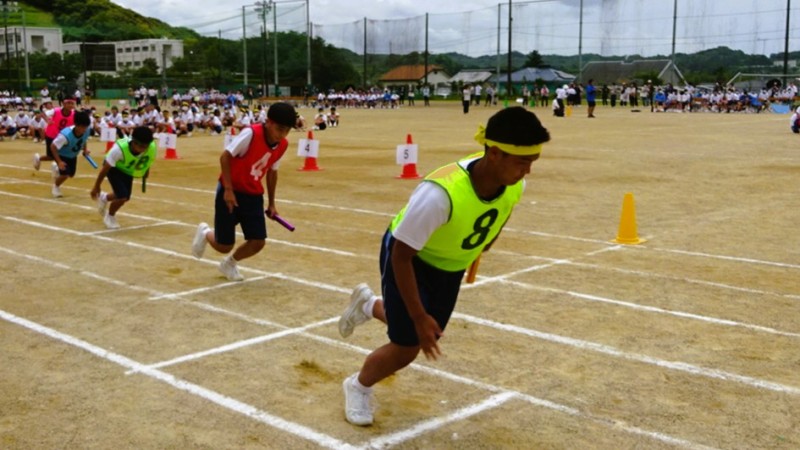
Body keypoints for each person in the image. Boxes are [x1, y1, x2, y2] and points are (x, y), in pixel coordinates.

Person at [337, 106, 551, 426]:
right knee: (409, 344)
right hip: (411, 259)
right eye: (522, 162)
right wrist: (419, 315)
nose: (528, 172)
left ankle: (368, 305)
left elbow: (503, 211)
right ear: (494, 154)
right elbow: (401, 255)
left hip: (450, 266)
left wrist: (485, 243)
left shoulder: (514, 183)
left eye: (532, 162)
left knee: (427, 331)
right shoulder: (440, 194)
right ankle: (358, 386)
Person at [190, 102, 296, 281]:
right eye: (280, 129)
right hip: (231, 189)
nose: (283, 134)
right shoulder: (251, 133)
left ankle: (229, 264)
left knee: (258, 242)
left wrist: (271, 203)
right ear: (269, 122)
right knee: (224, 245)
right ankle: (205, 233)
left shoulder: (282, 145)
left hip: (253, 193)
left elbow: (272, 171)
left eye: (287, 130)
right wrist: (229, 190)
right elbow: (225, 157)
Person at [90, 126, 156, 229]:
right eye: (142, 146)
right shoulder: (118, 150)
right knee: (122, 196)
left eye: (146, 146)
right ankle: (110, 216)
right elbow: (105, 168)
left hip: (127, 169)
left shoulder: (150, 146)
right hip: (114, 168)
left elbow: (147, 158)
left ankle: (104, 198)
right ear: (134, 143)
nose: (144, 149)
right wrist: (96, 186)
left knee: (125, 196)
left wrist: (146, 170)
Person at [49, 111, 92, 198]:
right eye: (82, 127)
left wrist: (85, 149)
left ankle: (57, 168)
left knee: (71, 174)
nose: (84, 129)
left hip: (72, 155)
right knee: (65, 174)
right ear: (76, 125)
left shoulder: (86, 130)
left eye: (86, 127)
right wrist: (59, 161)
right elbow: (53, 147)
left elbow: (84, 140)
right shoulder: (65, 135)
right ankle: (56, 187)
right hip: (62, 155)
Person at [33, 97, 77, 172]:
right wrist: (47, 120)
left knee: (63, 154)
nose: (70, 105)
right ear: (63, 104)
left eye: (72, 103)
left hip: (63, 137)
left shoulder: (74, 114)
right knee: (51, 156)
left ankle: (58, 169)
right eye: (68, 103)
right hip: (51, 135)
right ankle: (39, 159)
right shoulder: (56, 111)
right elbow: (43, 114)